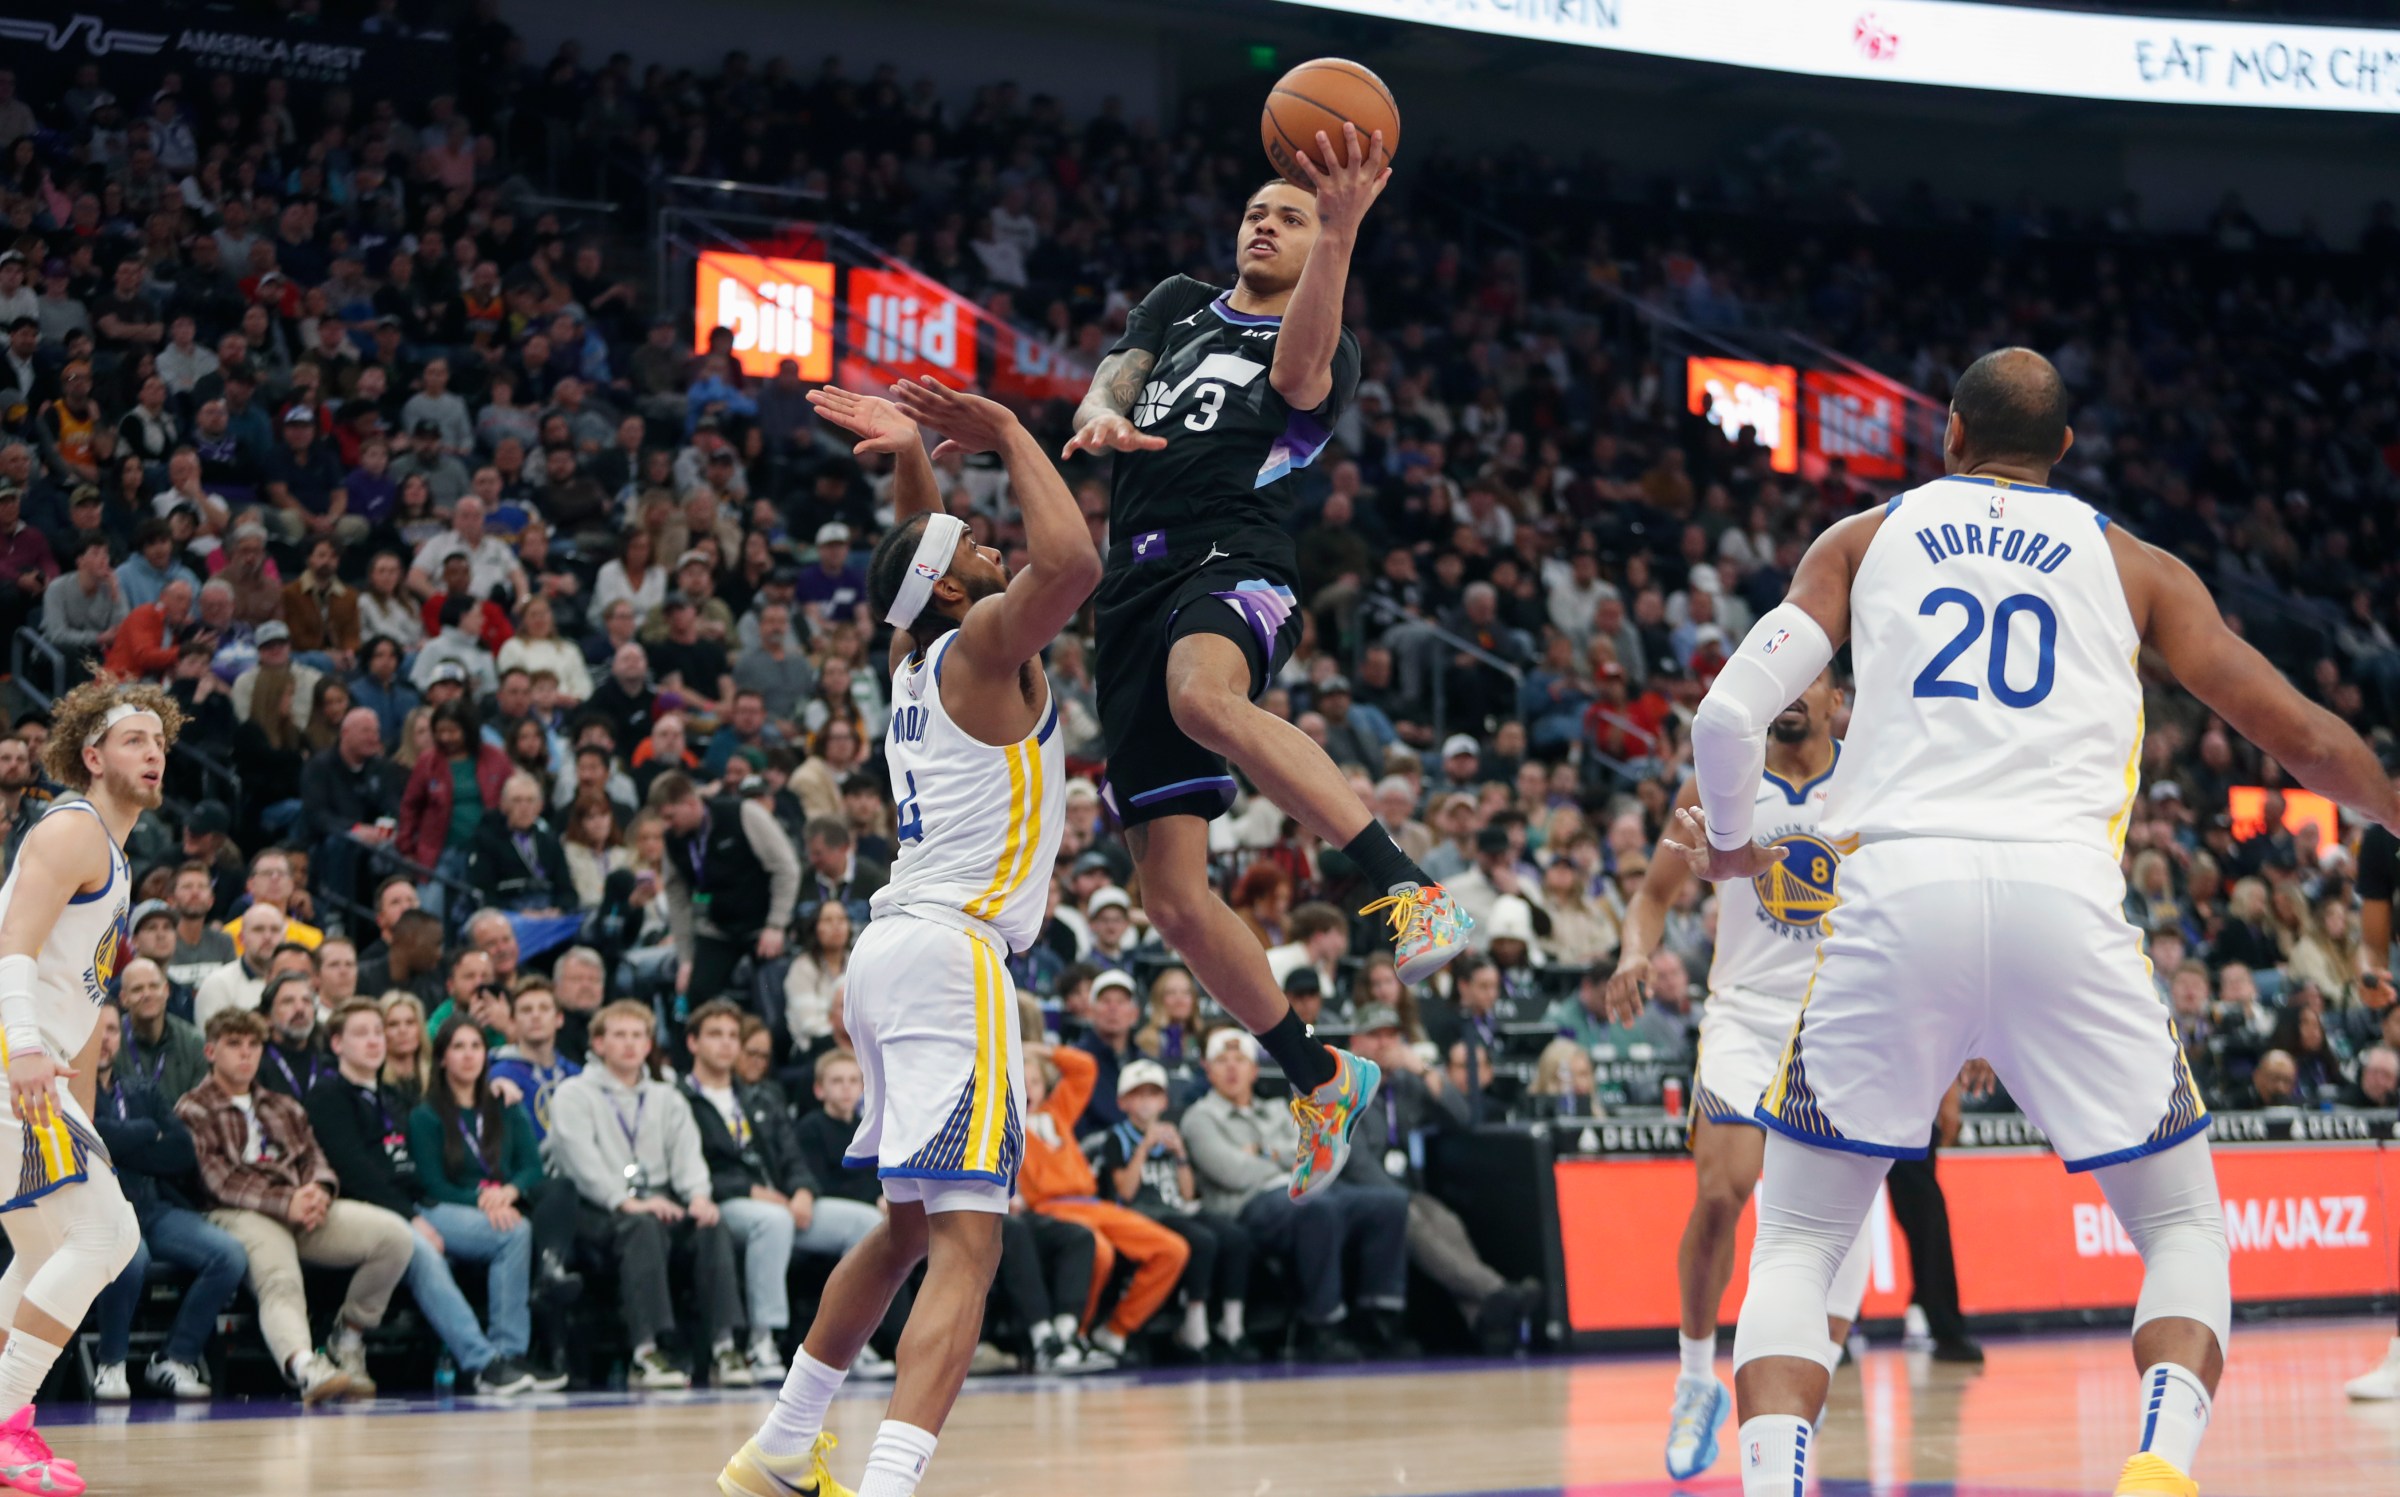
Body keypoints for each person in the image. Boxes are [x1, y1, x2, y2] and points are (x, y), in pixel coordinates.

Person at [1689, 348, 2400, 1497]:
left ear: (1951, 437)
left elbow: (1727, 718)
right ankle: (2159, 1468)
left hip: (1895, 896)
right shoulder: (2136, 565)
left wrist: (1731, 840)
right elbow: (2303, 740)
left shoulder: (1864, 539)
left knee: (1802, 1240)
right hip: (2062, 898)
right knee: (2180, 1225)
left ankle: (1775, 1485)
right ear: (2066, 450)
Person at [719, 375, 1097, 1497]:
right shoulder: (983, 644)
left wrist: (908, 459)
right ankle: (889, 1487)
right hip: (953, 958)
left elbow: (913, 561)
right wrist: (1017, 434)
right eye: (975, 550)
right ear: (954, 593)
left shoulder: (910, 660)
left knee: (901, 1237)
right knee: (969, 1248)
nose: (993, 548)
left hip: (885, 962)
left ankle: (784, 1443)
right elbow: (1072, 563)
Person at [1065, 143, 1468, 1195]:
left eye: (1289, 219)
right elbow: (1120, 369)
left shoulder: (1321, 337)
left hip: (1234, 555)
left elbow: (1296, 377)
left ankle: (1407, 887)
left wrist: (1340, 230)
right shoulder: (1180, 301)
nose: (1263, 226)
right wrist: (1097, 409)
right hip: (1131, 587)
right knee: (1171, 896)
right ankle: (1317, 1073)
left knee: (1204, 697)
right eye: (1257, 211)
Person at [1603, 667, 1879, 1477]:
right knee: (1723, 1191)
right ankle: (1695, 1379)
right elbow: (1653, 894)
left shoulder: (1876, 773)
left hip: (1849, 1017)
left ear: (1837, 701)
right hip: (1748, 1012)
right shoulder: (1725, 775)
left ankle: (1811, 1379)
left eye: (1810, 681)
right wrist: (1633, 953)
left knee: (1844, 1216)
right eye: (1779, 679)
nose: (1789, 692)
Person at [0, 676, 175, 1484]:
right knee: (101, 1237)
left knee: (51, 1254)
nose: (154, 754)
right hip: (12, 1057)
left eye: (161, 742)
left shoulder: (114, 852)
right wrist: (26, 1048)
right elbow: (12, 946)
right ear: (93, 754)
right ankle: (5, 1421)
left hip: (38, 1067)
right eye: (136, 740)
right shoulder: (71, 830)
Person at [180, 1007, 418, 1403]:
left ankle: (348, 1340)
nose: (246, 1054)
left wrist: (319, 1191)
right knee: (281, 1280)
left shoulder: (282, 1105)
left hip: (300, 1207)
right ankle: (306, 1367)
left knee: (394, 1236)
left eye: (254, 1045)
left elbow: (315, 1158)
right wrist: (287, 1201)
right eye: (234, 1044)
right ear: (210, 1051)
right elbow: (217, 1180)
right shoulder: (193, 1108)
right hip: (240, 1213)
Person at [305, 1001, 541, 1395]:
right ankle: (482, 1364)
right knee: (421, 1251)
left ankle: (508, 1353)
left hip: (416, 1205)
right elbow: (353, 1171)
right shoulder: (328, 1094)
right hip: (363, 1210)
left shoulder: (392, 1097)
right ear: (337, 1043)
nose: (374, 1041)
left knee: (514, 1231)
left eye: (378, 1033)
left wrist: (495, 1086)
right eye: (361, 1034)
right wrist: (411, 1219)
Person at [549, 1000, 745, 1389]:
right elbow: (578, 1161)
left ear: (648, 1044)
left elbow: (688, 1155)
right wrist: (625, 1200)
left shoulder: (666, 1097)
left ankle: (725, 1345)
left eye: (637, 1035)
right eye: (619, 1035)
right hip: (596, 1206)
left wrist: (698, 1197)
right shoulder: (573, 1093)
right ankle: (646, 1352)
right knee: (641, 1227)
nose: (629, 1044)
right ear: (599, 1044)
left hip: (659, 1200)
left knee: (710, 1226)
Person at [683, 1000, 883, 1380]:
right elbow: (692, 1167)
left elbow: (792, 1155)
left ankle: (851, 1343)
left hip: (783, 1202)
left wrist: (803, 1191)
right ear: (692, 1043)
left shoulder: (760, 1095)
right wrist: (755, 1191)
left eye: (732, 1036)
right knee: (772, 1221)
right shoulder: (682, 1099)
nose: (726, 1044)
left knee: (867, 1221)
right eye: (715, 1035)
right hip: (724, 1203)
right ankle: (763, 1341)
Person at [1183, 1029, 1409, 1362]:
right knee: (1319, 1208)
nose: (1232, 1068)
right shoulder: (1199, 1117)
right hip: (1248, 1205)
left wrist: (1263, 1152)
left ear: (1255, 1069)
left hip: (1301, 1190)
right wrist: (1287, 1157)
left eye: (1240, 1060)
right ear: (1208, 1070)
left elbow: (1314, 1149)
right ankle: (1321, 1326)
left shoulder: (1279, 1107)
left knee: (1388, 1203)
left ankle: (1379, 1319)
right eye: (1221, 1061)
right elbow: (1233, 1173)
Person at [86, 997, 245, 1402]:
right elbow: (88, 1143)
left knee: (228, 1254)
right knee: (131, 1256)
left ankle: (174, 1358)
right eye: (94, 1030)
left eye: (110, 1030)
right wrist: (144, 1132)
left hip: (153, 1207)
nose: (103, 1041)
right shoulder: (70, 1092)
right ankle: (111, 1363)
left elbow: (181, 1152)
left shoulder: (142, 1088)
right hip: (100, 1213)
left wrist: (118, 1141)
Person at [1017, 1042, 1191, 1362]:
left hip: (1092, 1204)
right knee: (1098, 1251)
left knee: (1173, 1250)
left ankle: (1114, 1332)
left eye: (1036, 1082)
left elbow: (1085, 1067)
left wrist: (1035, 1049)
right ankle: (1075, 1336)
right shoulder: (1004, 1123)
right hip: (1051, 1209)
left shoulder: (1058, 1112)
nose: (1028, 1089)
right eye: (1020, 1080)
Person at [1091, 1058, 1253, 1362]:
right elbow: (1124, 1192)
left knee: (1235, 1237)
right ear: (1123, 1101)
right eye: (1138, 1095)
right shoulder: (1116, 1138)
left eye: (1152, 1094)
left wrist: (1180, 1155)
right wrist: (1143, 1148)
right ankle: (1194, 1326)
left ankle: (1232, 1325)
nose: (1146, 1102)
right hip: (1141, 1215)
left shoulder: (1171, 1133)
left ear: (1164, 1099)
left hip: (1175, 1209)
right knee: (1201, 1241)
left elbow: (1188, 1193)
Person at [651, 769, 800, 1010]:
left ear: (690, 803)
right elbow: (677, 900)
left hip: (762, 926)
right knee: (695, 994)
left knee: (771, 995)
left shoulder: (743, 813)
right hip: (717, 929)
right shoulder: (673, 840)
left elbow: (786, 868)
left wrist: (776, 924)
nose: (666, 825)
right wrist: (686, 959)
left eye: (670, 816)